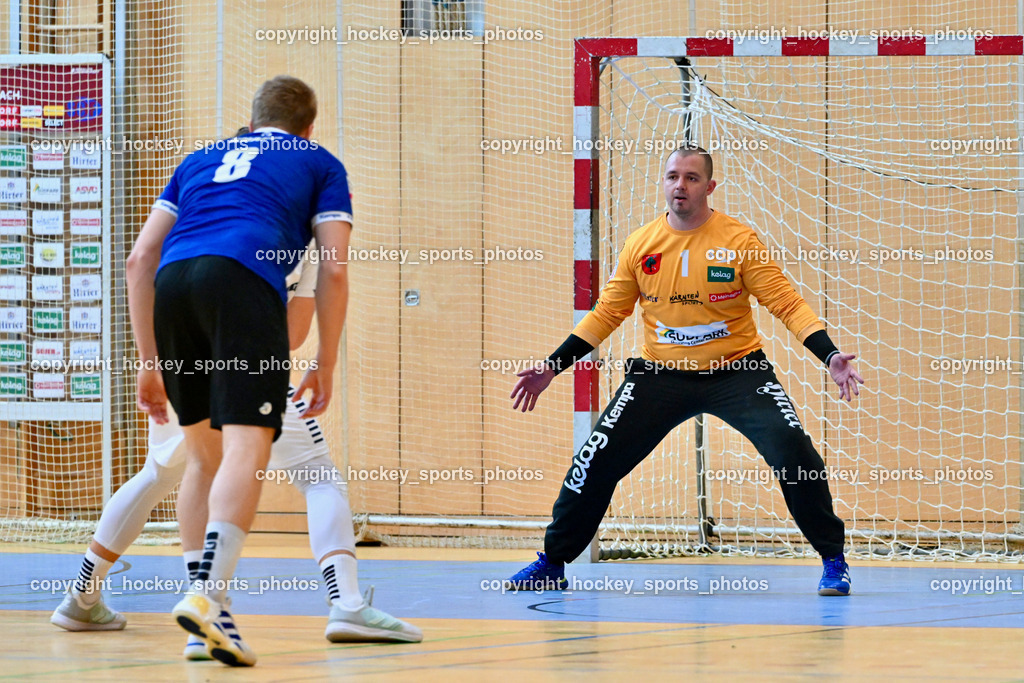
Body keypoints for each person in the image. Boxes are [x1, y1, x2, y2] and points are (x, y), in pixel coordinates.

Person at [506, 146, 864, 596]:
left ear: (709, 187)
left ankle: (833, 559)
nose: (681, 185)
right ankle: (552, 562)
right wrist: (552, 367)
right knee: (595, 458)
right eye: (673, 176)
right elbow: (606, 313)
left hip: (738, 373)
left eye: (692, 178)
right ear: (663, 183)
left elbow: (787, 304)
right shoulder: (642, 245)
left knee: (794, 451)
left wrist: (829, 355)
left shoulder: (739, 241)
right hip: (659, 375)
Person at [50, 250, 422, 653]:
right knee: (318, 476)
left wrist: (150, 360)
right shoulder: (301, 229)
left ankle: (85, 596)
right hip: (247, 366)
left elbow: (140, 261)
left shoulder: (199, 203)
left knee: (161, 473)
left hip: (178, 361)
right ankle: (346, 603)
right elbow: (295, 333)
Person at [125, 75, 351, 666]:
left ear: (250, 124)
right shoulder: (320, 162)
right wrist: (325, 362)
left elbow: (139, 258)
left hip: (173, 286)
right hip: (243, 281)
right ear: (308, 126)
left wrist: (149, 364)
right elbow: (333, 269)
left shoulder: (199, 158)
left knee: (203, 458)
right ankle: (208, 595)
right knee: (249, 446)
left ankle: (209, 624)